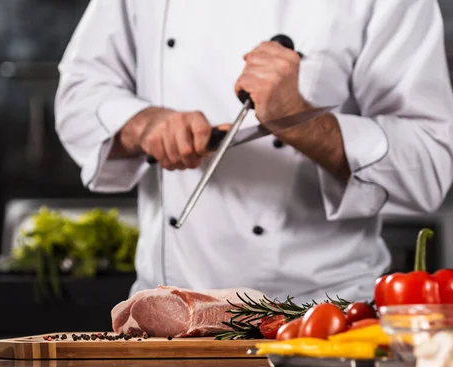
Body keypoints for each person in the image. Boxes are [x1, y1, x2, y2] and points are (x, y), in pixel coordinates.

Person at [54, 0, 453, 303]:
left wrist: (299, 120)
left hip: (321, 318)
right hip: (169, 314)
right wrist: (144, 123)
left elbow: (429, 165)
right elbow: (80, 93)